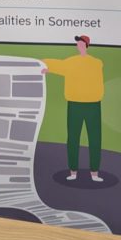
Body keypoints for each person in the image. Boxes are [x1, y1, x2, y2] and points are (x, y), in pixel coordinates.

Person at [42, 35, 104, 182]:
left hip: (93, 105)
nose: (79, 46)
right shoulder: (71, 62)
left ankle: (94, 172)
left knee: (95, 139)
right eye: (78, 44)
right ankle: (73, 171)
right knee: (73, 139)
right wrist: (45, 66)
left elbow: (60, 66)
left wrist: (47, 66)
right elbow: (58, 65)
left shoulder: (96, 63)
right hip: (74, 104)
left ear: (86, 45)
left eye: (81, 43)